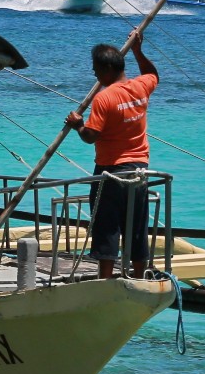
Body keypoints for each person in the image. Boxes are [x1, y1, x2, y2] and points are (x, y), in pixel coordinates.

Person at [66, 38, 160, 278]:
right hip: (139, 169)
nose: (94, 73)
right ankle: (140, 276)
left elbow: (90, 136)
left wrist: (78, 125)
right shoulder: (140, 87)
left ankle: (105, 278)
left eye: (96, 69)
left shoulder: (105, 98)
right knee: (136, 224)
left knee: (106, 225)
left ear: (107, 69)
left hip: (111, 171)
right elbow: (152, 73)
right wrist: (139, 51)